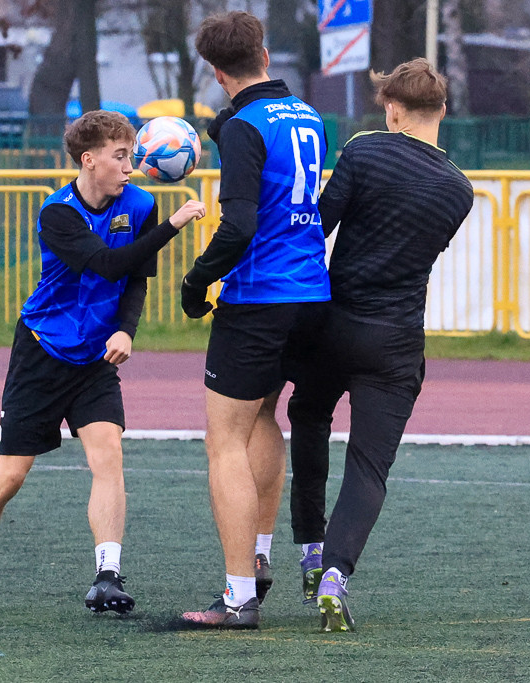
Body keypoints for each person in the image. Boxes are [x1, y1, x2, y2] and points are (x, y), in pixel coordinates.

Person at [0, 110, 205, 616]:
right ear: (89, 160)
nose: (131, 166)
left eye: (134, 154)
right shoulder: (58, 213)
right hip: (42, 352)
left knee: (108, 454)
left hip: (94, 358)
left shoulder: (139, 203)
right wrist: (177, 225)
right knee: (9, 477)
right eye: (120, 156)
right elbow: (109, 263)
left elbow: (135, 275)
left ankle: (107, 577)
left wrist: (124, 330)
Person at [287, 58, 475, 632]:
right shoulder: (459, 190)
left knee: (308, 414)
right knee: (369, 466)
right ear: (442, 111)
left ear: (391, 109)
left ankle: (310, 550)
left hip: (333, 323)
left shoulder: (365, 150)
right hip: (395, 340)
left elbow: (318, 225)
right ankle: (338, 577)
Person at [179, 11, 330, 629]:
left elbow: (239, 224)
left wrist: (195, 280)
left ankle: (238, 596)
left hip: (260, 297)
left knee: (224, 441)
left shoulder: (243, 126)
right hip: (310, 293)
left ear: (217, 72)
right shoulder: (309, 115)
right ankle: (261, 559)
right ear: (265, 55)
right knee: (263, 417)